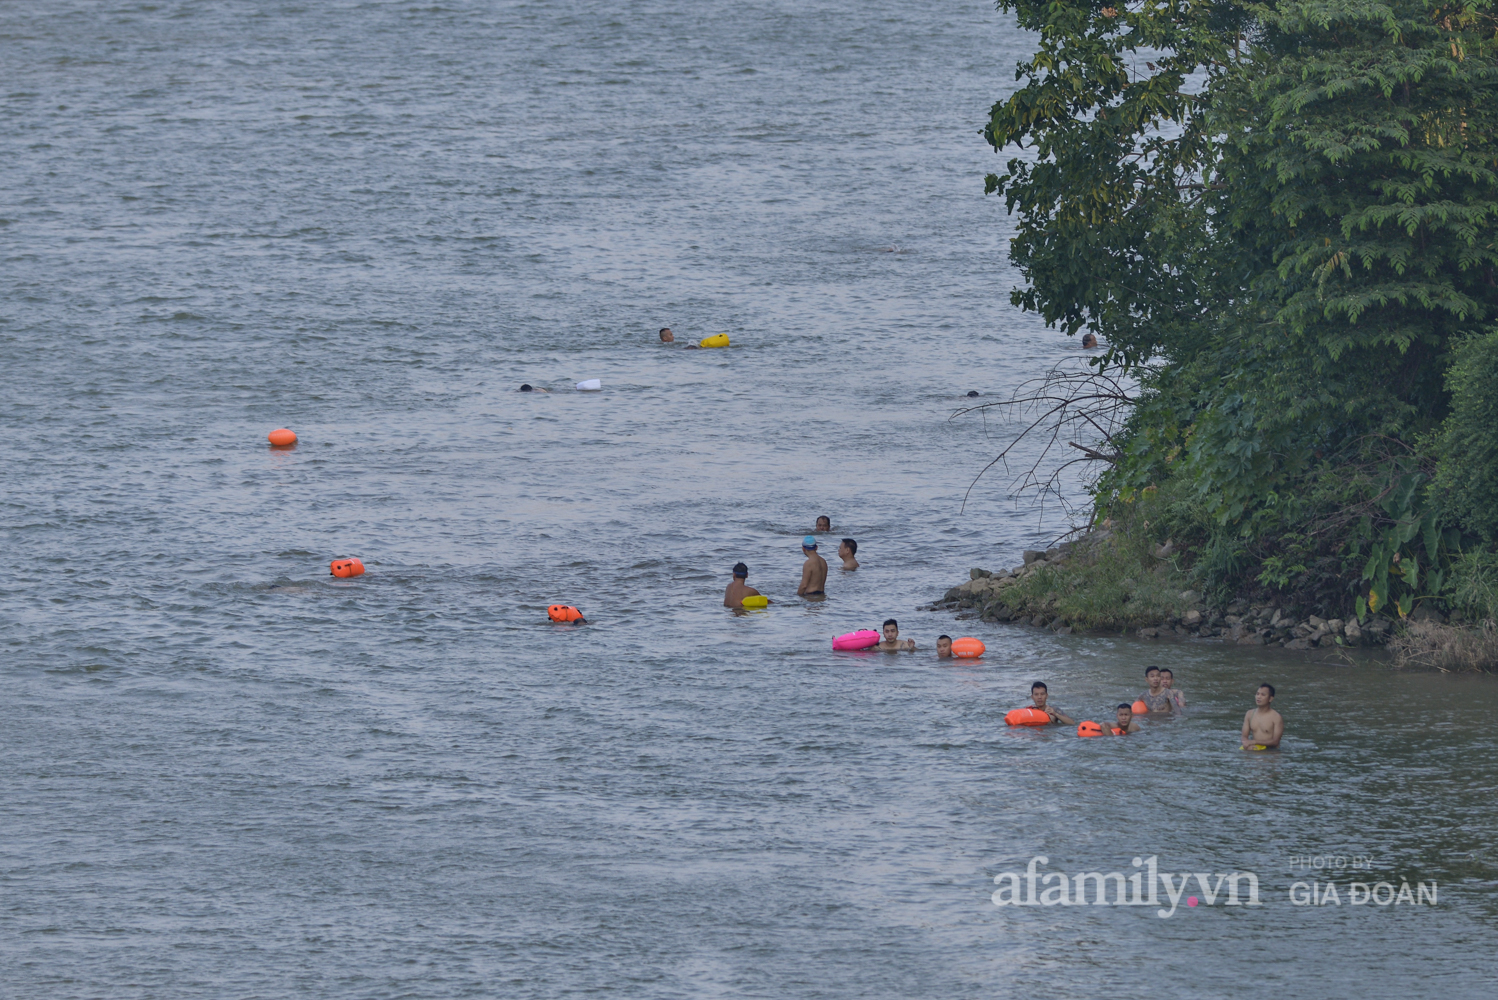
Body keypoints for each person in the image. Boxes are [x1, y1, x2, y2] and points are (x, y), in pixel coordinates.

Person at [1241, 683, 1284, 749]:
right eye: (1257, 694)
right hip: (1255, 750)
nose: (1259, 697)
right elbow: (1244, 736)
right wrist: (1246, 744)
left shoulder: (1276, 717)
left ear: (1270, 699)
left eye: (1263, 695)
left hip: (1271, 752)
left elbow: (1276, 741)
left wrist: (1255, 742)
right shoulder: (1249, 714)